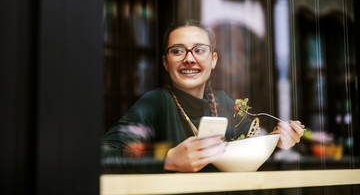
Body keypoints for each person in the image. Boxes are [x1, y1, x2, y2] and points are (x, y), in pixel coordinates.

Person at [102, 20, 305, 173]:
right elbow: (103, 155)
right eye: (178, 51)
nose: (189, 59)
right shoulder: (157, 102)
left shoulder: (224, 102)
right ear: (165, 62)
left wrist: (278, 138)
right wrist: (167, 159)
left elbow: (250, 146)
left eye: (199, 50)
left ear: (213, 59)